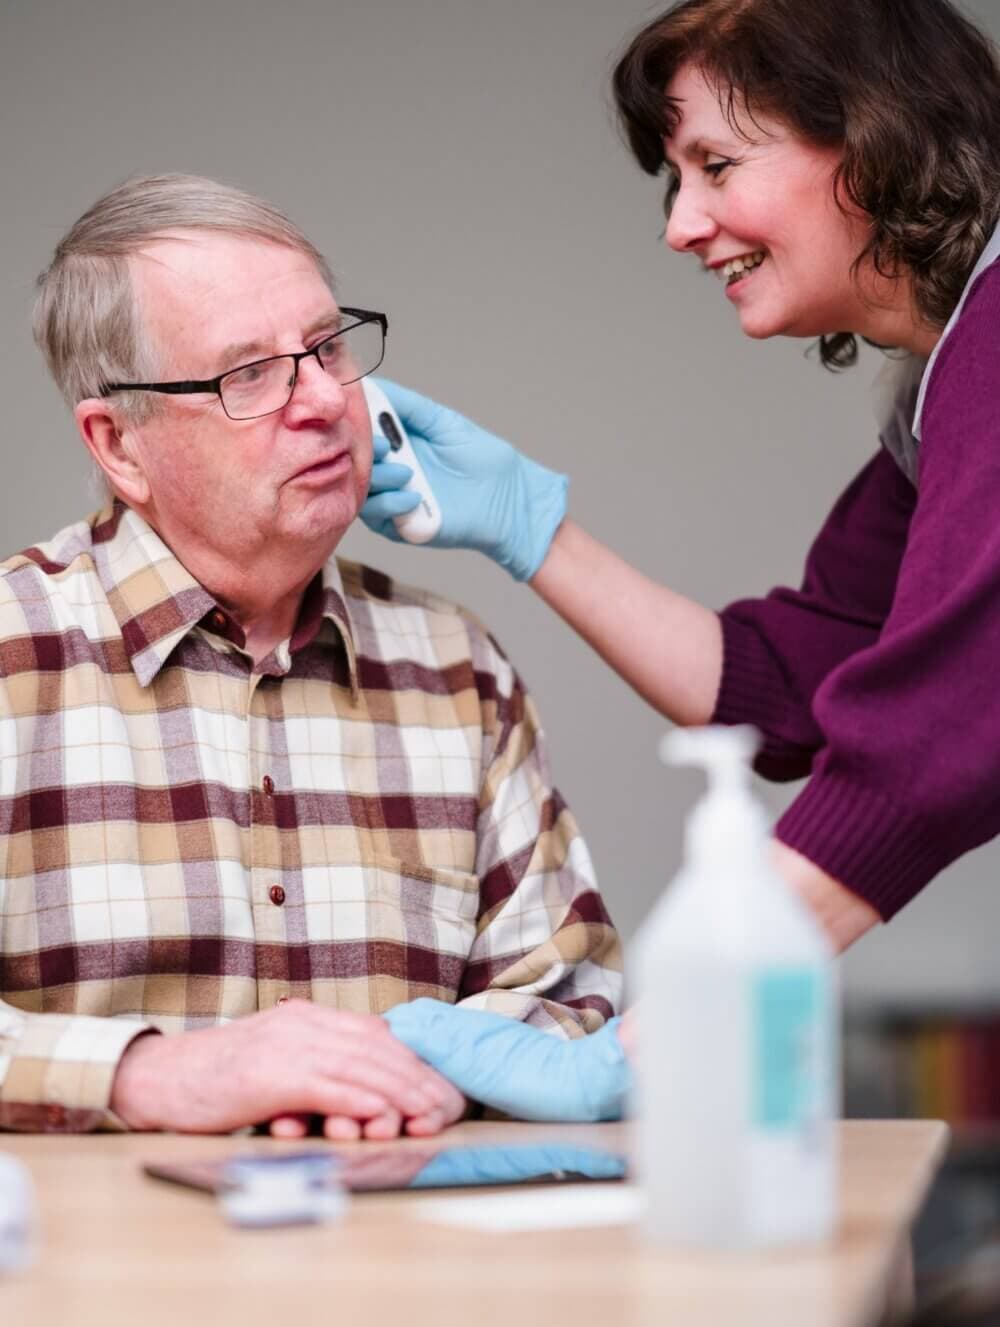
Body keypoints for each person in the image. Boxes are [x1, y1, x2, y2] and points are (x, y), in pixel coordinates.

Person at [365, 0, 1000, 1119]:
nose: (679, 224)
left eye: (716, 162)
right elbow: (794, 685)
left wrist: (653, 1042)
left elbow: (939, 733)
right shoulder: (945, 385)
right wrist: (531, 529)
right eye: (676, 178)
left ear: (877, 137)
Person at [0, 173, 622, 1137]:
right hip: (94, 1280)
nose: (327, 399)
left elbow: (572, 992)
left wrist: (409, 1080)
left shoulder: (456, 667)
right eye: (248, 373)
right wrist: (149, 1075)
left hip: (397, 1267)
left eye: (327, 346)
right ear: (118, 444)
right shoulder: (12, 654)